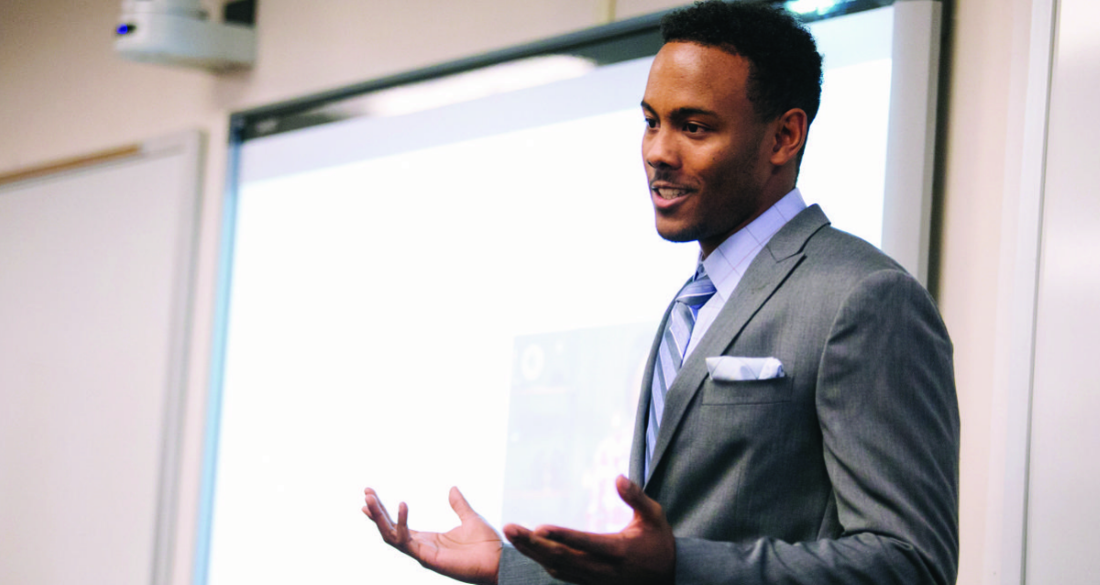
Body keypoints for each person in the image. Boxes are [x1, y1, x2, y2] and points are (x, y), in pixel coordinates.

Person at [362, 2, 959, 584]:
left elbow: (912, 563)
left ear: (784, 137)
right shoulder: (693, 302)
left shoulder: (866, 298)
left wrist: (681, 566)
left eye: (694, 127)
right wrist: (508, 567)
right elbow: (647, 565)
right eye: (651, 122)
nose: (657, 153)